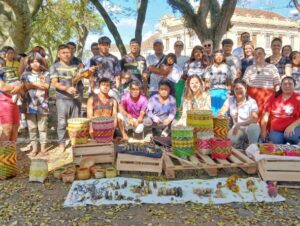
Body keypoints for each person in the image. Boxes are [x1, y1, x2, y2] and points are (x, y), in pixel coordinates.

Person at [50, 44, 87, 151]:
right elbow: (55, 83)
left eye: (69, 52)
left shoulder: (76, 66)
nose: (67, 55)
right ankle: (61, 144)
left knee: (75, 122)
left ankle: (74, 142)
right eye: (64, 53)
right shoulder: (54, 66)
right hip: (62, 99)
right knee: (62, 122)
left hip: (76, 98)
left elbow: (82, 77)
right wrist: (66, 88)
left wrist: (87, 73)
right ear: (58, 54)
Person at [21, 53, 50, 157]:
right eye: (32, 62)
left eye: (37, 61)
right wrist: (36, 85)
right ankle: (34, 148)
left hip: (43, 105)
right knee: (32, 128)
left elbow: (46, 86)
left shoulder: (46, 74)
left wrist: (32, 85)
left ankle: (43, 148)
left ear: (40, 62)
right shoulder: (25, 74)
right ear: (29, 63)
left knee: (43, 128)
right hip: (29, 105)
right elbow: (25, 87)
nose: (35, 64)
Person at [219, 78, 260, 149]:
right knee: (231, 141)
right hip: (237, 129)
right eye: (236, 89)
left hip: (249, 128)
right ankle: (242, 145)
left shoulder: (251, 101)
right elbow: (222, 111)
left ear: (246, 89)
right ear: (233, 90)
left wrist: (240, 124)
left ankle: (252, 148)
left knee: (254, 127)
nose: (238, 91)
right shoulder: (230, 100)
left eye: (241, 88)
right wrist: (220, 116)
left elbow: (255, 119)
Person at [243, 47, 281, 124]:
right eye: (255, 54)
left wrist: (277, 97)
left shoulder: (272, 67)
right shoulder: (249, 68)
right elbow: (244, 83)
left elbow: (277, 82)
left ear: (264, 55)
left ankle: (265, 133)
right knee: (253, 114)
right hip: (253, 95)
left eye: (260, 53)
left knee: (266, 114)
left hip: (268, 95)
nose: (257, 55)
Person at [261, 76, 300, 144]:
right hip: (277, 129)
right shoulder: (273, 97)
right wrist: (263, 130)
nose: (287, 86)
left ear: (294, 86)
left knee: (292, 137)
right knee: (275, 142)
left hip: (293, 128)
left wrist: (292, 126)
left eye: (290, 84)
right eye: (284, 84)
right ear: (281, 86)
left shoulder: (298, 98)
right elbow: (265, 116)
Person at [0, 57, 23, 142]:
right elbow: (3, 87)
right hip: (3, 103)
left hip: (14, 102)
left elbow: (21, 83)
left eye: (1, 64)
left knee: (15, 128)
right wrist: (18, 87)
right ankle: (4, 155)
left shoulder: (8, 73)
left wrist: (20, 86)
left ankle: (11, 154)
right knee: (7, 129)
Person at [204, 50, 232, 116]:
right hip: (212, 92)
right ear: (214, 57)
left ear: (223, 57)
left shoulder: (227, 67)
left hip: (223, 92)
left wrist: (228, 93)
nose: (218, 57)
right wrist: (207, 93)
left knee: (223, 112)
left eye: (220, 55)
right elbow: (207, 81)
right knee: (213, 111)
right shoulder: (209, 68)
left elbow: (229, 82)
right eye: (216, 55)